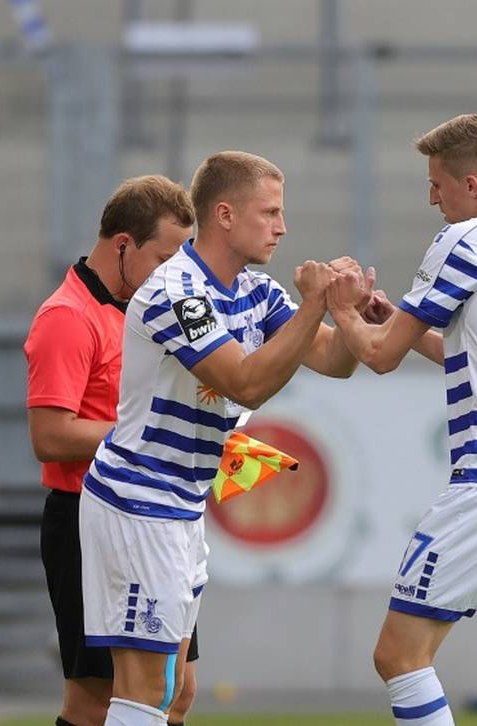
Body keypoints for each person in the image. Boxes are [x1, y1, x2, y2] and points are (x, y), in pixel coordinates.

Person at [80, 151, 371, 726]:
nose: (282, 227)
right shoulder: (177, 291)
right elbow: (245, 382)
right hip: (137, 502)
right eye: (270, 212)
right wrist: (314, 305)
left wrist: (347, 311)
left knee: (178, 691)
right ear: (225, 215)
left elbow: (335, 361)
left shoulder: (254, 291)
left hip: (182, 506)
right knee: (144, 688)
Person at [325, 113, 477, 726]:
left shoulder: (466, 240)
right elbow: (471, 352)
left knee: (399, 655)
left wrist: (341, 310)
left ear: (471, 185)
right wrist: (399, 323)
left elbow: (377, 358)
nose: (432, 199)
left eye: (437, 184)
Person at [26, 175, 199, 726]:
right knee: (97, 698)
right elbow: (49, 436)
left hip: (153, 517)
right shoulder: (67, 316)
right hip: (89, 520)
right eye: (164, 258)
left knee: (175, 690)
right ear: (123, 244)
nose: (172, 273)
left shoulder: (145, 307)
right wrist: (150, 431)